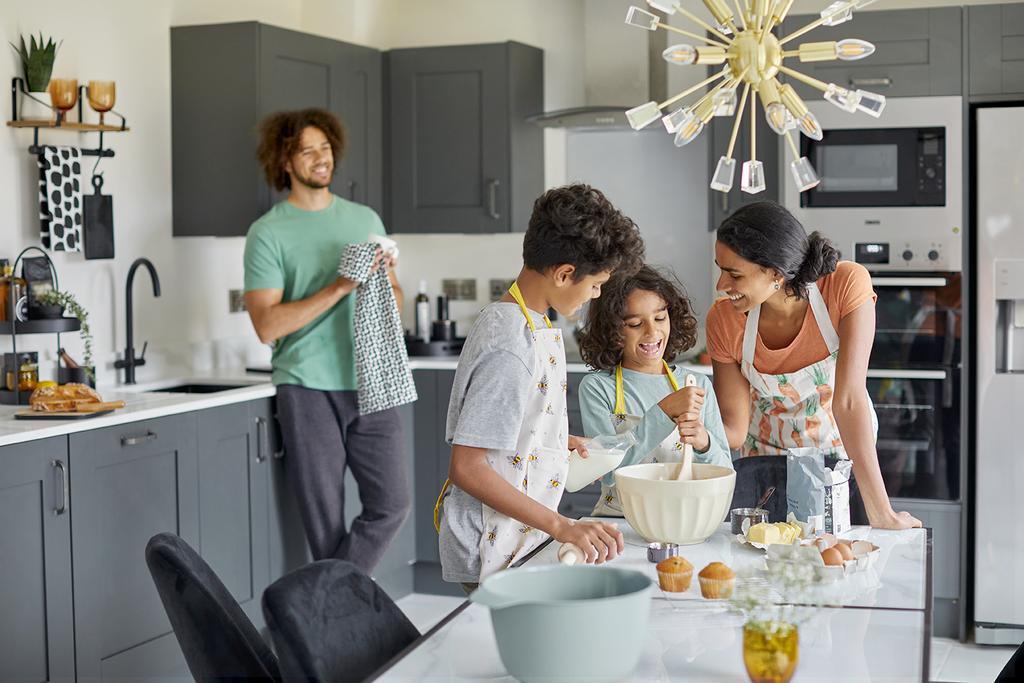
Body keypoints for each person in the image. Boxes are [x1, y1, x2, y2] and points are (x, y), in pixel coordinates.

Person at [436, 184, 646, 589]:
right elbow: (467, 466)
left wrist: (553, 438)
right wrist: (564, 526)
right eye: (596, 284)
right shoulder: (511, 344)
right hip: (491, 544)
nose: (597, 294)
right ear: (565, 273)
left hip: (518, 538)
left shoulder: (534, 321)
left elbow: (506, 426)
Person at [243, 108, 410, 572]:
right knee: (325, 526)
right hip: (307, 386)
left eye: (326, 147)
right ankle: (338, 631)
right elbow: (267, 326)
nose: (321, 158)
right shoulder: (268, 233)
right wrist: (340, 285)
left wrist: (383, 281)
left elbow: (395, 302)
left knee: (393, 504)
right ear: (284, 161)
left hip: (373, 380)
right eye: (307, 150)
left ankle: (322, 610)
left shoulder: (364, 219)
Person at [706, 201, 922, 530]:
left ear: (776, 273)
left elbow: (849, 400)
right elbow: (734, 430)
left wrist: (882, 512)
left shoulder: (844, 285)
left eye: (734, 274)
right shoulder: (724, 321)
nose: (721, 284)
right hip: (763, 462)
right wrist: (693, 426)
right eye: (721, 269)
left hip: (841, 463)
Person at [577, 266, 732, 515]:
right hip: (620, 524)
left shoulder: (697, 384)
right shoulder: (598, 389)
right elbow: (608, 476)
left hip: (683, 520)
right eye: (635, 324)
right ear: (613, 331)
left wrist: (705, 444)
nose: (652, 332)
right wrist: (662, 412)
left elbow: (725, 472)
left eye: (660, 318)